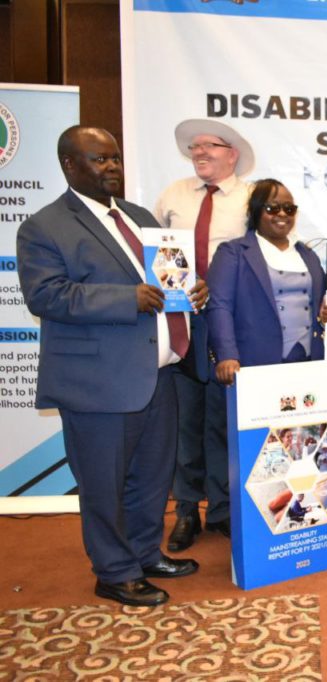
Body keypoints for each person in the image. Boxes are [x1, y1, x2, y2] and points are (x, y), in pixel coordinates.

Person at [16, 126, 206, 606]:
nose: (112, 167)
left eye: (116, 158)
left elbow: (168, 283)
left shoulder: (140, 218)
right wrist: (128, 298)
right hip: (97, 382)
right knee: (103, 481)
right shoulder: (44, 226)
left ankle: (144, 553)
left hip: (158, 373)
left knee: (152, 475)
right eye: (100, 160)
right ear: (70, 166)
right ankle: (114, 571)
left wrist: (193, 293)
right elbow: (45, 296)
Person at [153, 118, 254, 551]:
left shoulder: (254, 198)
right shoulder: (174, 194)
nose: (199, 153)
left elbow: (265, 256)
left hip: (230, 323)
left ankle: (224, 511)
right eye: (193, 147)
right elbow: (150, 248)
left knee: (223, 421)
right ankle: (186, 512)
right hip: (180, 322)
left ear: (231, 153)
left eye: (208, 146)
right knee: (184, 422)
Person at [205, 179, 327, 388]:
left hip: (307, 363)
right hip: (253, 364)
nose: (282, 214)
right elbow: (219, 306)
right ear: (256, 211)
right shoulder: (233, 253)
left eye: (289, 208)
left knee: (303, 422)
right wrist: (226, 355)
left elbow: (319, 307)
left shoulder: (308, 255)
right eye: (272, 208)